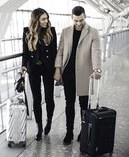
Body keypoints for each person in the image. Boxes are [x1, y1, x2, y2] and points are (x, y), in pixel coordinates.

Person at [54, 6, 102, 145]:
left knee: (84, 105)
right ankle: (69, 132)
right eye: (76, 20)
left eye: (81, 20)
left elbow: (96, 52)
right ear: (72, 18)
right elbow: (60, 51)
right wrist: (58, 69)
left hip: (84, 73)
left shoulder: (93, 32)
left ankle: (83, 130)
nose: (79, 23)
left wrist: (97, 69)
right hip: (68, 73)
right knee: (69, 104)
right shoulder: (65, 32)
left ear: (85, 16)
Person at [21, 8, 57, 141]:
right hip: (33, 69)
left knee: (49, 97)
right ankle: (39, 127)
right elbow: (25, 52)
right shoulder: (27, 31)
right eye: (43, 19)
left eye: (47, 18)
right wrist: (24, 65)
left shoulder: (51, 30)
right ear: (36, 20)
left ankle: (49, 120)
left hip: (48, 68)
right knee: (36, 98)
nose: (46, 21)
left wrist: (57, 69)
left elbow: (54, 51)